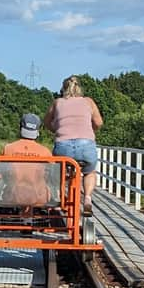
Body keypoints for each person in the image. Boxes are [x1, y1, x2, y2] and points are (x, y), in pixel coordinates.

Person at [44, 76, 103, 215]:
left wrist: (57, 130)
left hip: (63, 146)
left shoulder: (57, 103)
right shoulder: (89, 102)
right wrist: (89, 130)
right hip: (86, 145)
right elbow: (99, 122)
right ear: (80, 88)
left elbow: (46, 122)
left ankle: (58, 196)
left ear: (63, 89)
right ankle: (87, 198)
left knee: (58, 172)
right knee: (90, 172)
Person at [1, 113, 52, 213]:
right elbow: (52, 176)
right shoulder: (45, 152)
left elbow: (3, 172)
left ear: (20, 127)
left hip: (13, 196)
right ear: (37, 131)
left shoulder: (8, 148)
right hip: (39, 198)